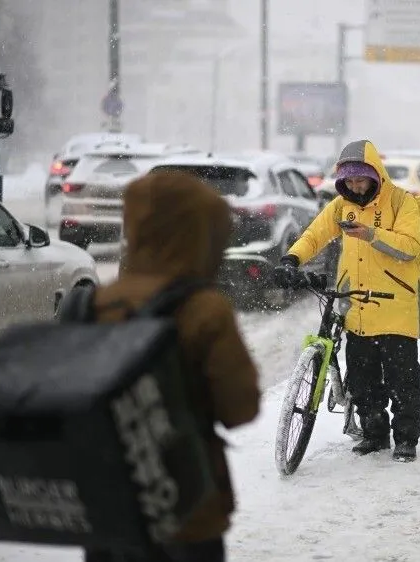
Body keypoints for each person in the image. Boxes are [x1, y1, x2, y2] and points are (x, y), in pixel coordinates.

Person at [85, 170, 261, 562]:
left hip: (109, 503)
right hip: (187, 501)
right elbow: (240, 408)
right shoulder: (202, 308)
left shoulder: (96, 303)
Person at [273, 139, 420, 462]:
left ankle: (406, 439)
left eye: (361, 179)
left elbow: (411, 247)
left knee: (403, 381)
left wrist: (371, 234)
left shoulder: (401, 203)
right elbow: (315, 235)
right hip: (357, 306)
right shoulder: (342, 206)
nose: (355, 187)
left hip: (396, 305)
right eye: (349, 181)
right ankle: (374, 434)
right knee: (362, 380)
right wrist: (292, 259)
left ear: (375, 175)